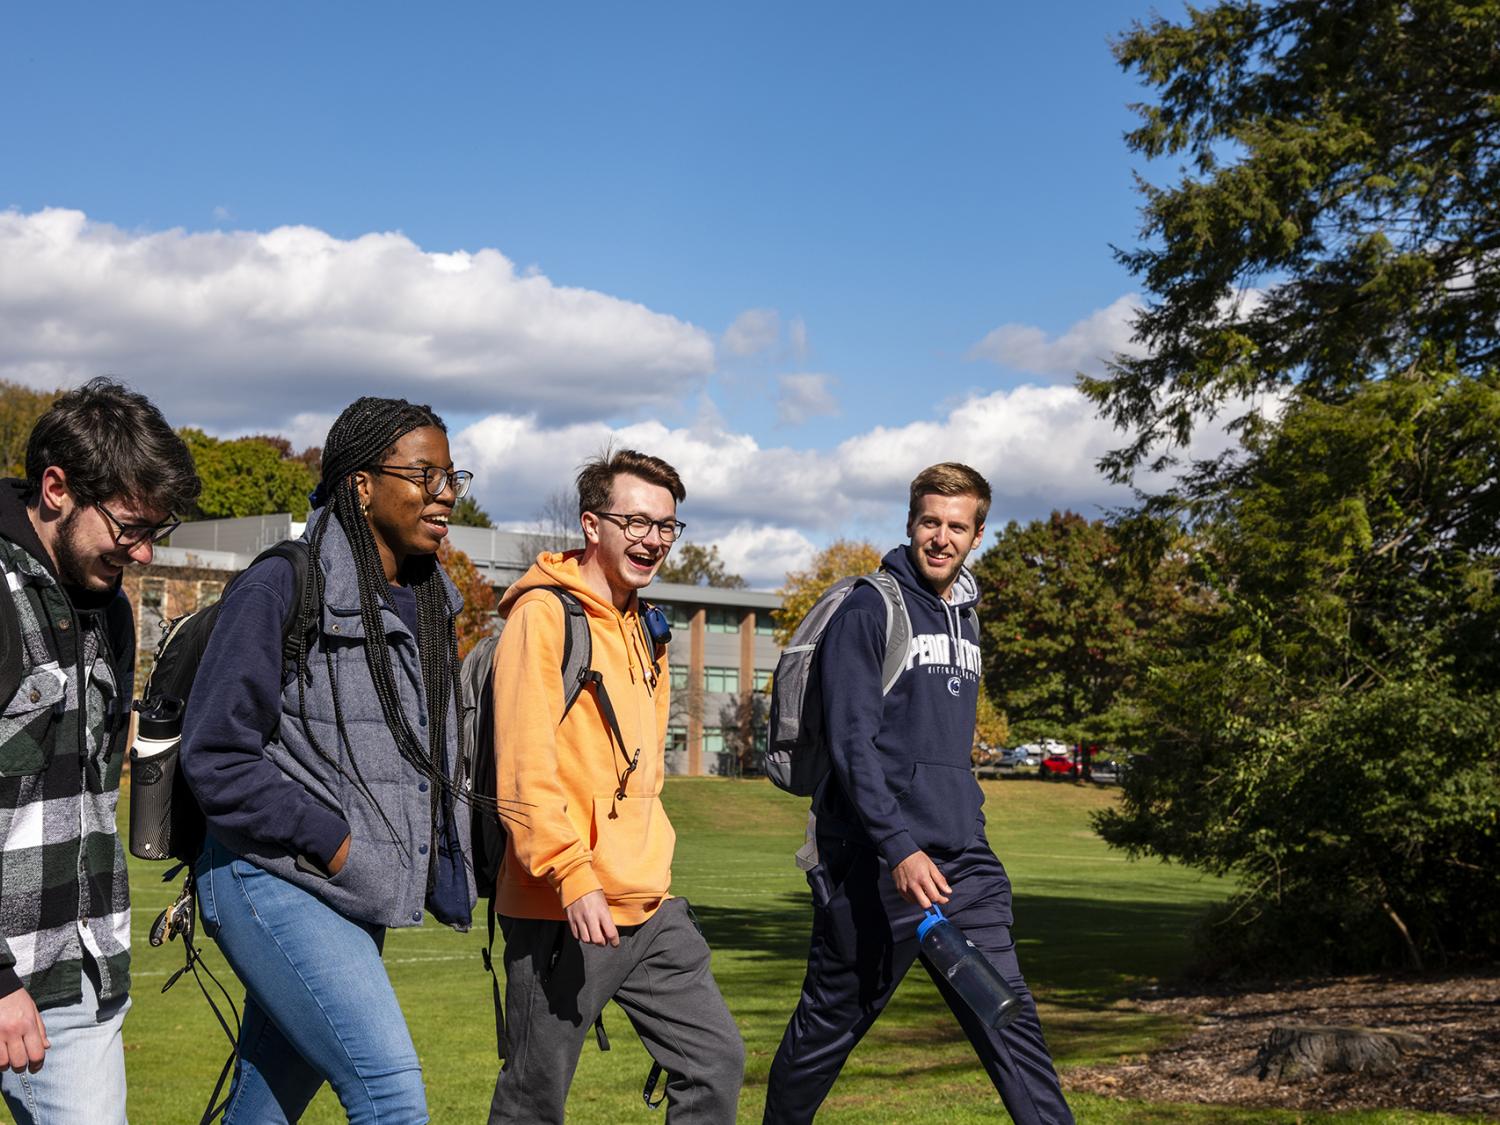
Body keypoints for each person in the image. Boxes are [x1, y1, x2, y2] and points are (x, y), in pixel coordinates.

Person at [180, 397, 476, 1124]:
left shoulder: (431, 600)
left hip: (356, 889)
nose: (444, 493)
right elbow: (215, 753)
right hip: (270, 874)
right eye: (423, 474)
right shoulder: (284, 581)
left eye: (452, 476)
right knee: (391, 1095)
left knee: (264, 1109)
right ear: (362, 484)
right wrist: (338, 845)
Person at [764, 462, 1073, 1125]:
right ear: (910, 523)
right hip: (878, 871)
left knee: (1009, 1020)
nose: (941, 536)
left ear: (978, 533)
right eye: (930, 521)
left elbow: (945, 746)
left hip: (965, 865)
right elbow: (852, 744)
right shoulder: (870, 608)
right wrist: (899, 847)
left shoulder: (967, 616)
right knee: (825, 1036)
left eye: (956, 526)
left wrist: (969, 821)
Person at [488, 448, 744, 1124]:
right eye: (635, 520)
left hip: (649, 902)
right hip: (562, 904)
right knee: (532, 1100)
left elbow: (643, 772)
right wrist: (573, 874)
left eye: (666, 525)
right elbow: (522, 766)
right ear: (592, 524)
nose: (652, 538)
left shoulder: (648, 626)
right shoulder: (543, 617)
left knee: (714, 1063)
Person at [0, 378, 200, 1124]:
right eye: (128, 526)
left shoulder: (114, 612)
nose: (144, 552)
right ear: (56, 488)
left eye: (158, 530)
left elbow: (92, 791)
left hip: (81, 979)